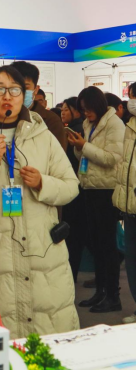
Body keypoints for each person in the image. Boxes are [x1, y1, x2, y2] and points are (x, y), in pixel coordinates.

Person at [0, 65, 80, 339]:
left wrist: (43, 183)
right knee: (0, 341)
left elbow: (71, 186)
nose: (7, 96)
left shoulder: (44, 137)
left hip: (43, 254)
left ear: (24, 95)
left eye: (15, 90)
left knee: (49, 338)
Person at [68, 87, 125, 313]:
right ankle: (100, 291)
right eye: (82, 110)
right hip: (89, 187)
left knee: (107, 245)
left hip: (106, 190)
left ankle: (113, 296)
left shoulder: (114, 124)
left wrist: (85, 146)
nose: (85, 113)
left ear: (97, 105)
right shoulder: (88, 124)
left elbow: (112, 159)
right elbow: (84, 156)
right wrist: (78, 147)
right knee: (97, 244)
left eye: (88, 109)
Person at [113, 82, 136, 324]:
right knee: (132, 262)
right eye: (130, 96)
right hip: (129, 206)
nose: (131, 102)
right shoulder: (129, 127)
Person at [10, 61, 68, 151]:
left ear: (36, 90)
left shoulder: (51, 121)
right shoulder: (3, 117)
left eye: (26, 87)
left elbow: (59, 155)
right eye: (15, 87)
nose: (20, 92)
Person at [61, 97, 88, 283]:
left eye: (66, 109)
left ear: (76, 111)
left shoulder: (76, 130)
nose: (63, 112)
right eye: (62, 109)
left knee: (75, 235)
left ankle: (71, 275)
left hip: (76, 188)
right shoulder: (72, 128)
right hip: (76, 186)